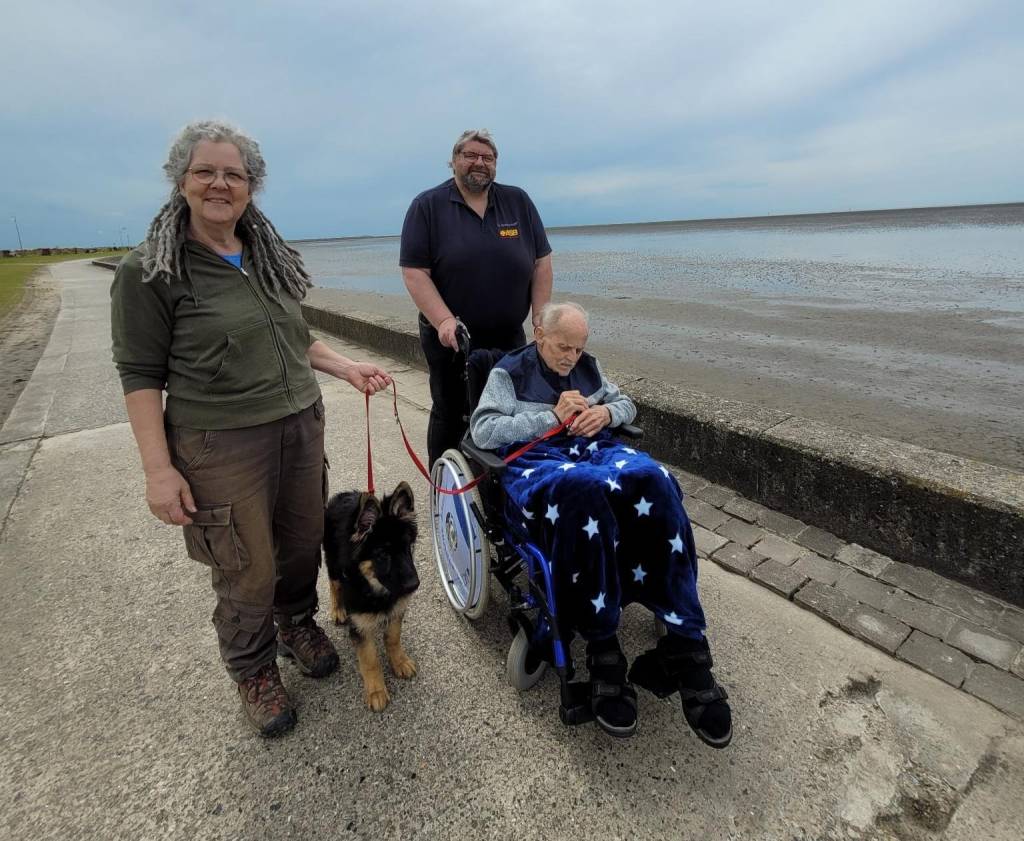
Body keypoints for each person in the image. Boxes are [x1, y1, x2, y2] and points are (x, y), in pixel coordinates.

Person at [110, 120, 391, 737]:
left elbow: (295, 338)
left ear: (250, 187)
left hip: (299, 426)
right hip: (219, 444)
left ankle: (295, 624)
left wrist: (347, 367)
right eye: (205, 171)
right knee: (246, 564)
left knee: (298, 545)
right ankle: (253, 667)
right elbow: (138, 374)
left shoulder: (264, 254)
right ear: (180, 181)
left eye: (233, 174)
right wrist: (158, 470)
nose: (219, 183)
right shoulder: (150, 270)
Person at [470, 302, 732, 746]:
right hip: (539, 459)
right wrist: (551, 416)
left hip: (594, 449)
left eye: (579, 347)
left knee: (658, 479)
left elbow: (625, 402)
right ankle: (602, 647)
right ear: (538, 335)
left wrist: (606, 415)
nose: (572, 357)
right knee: (585, 493)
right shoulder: (507, 373)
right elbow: (483, 431)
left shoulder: (589, 368)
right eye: (563, 347)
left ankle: (686, 644)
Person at [400, 128, 553, 465]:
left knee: (511, 409)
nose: (479, 163)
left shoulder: (518, 201)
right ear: (454, 160)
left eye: (487, 157)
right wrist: (442, 320)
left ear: (495, 164)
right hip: (452, 337)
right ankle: (445, 488)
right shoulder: (427, 206)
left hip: (509, 335)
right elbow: (415, 272)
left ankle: (501, 484)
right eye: (470, 155)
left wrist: (541, 318)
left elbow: (541, 262)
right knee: (451, 411)